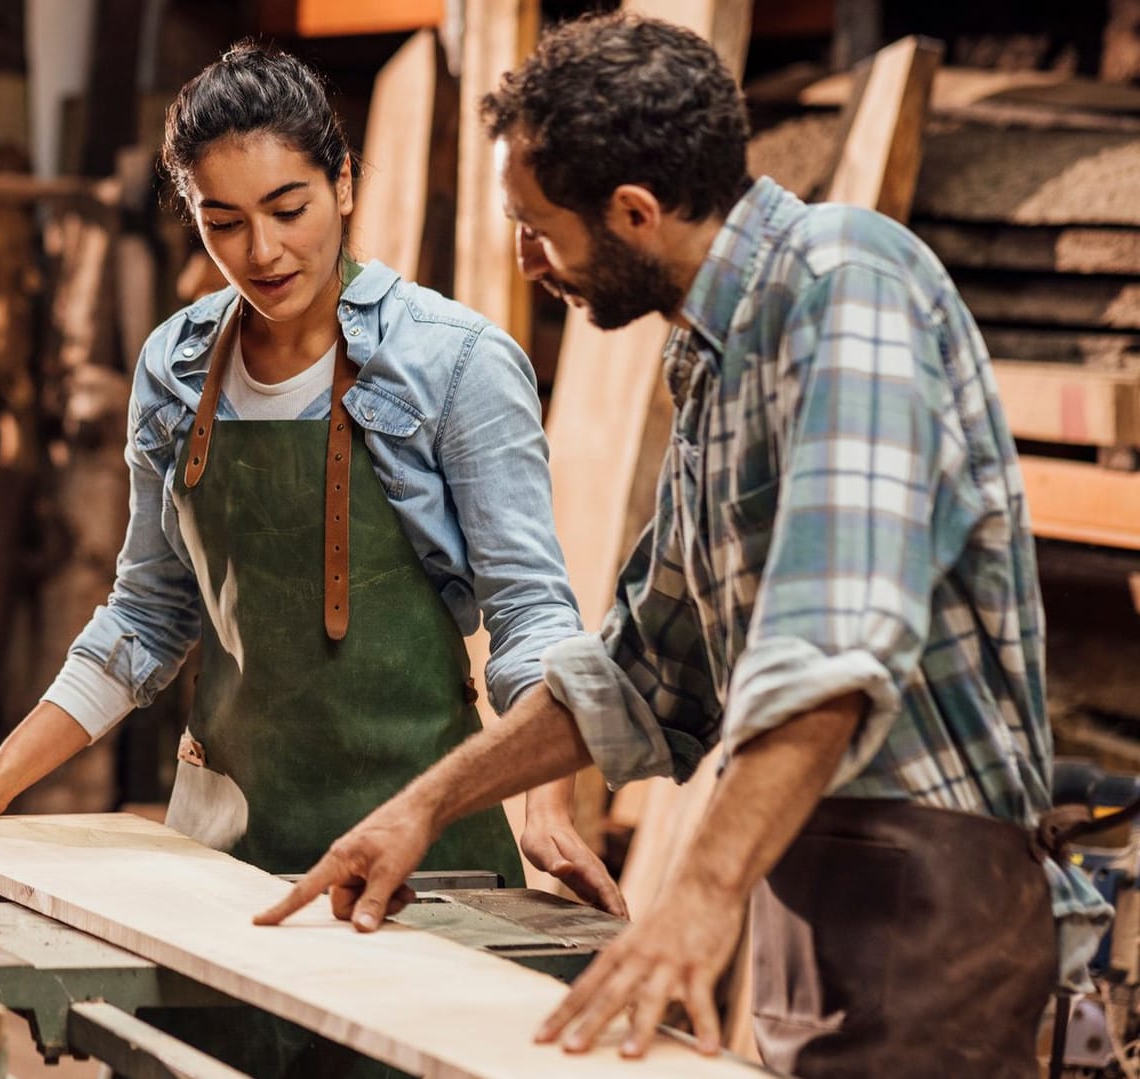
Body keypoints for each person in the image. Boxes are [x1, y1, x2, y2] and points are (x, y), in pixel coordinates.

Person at [254, 14, 1112, 1078]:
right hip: (827, 892)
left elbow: (831, 650)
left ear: (634, 213)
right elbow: (642, 670)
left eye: (538, 227)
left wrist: (699, 893)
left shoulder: (845, 286)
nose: (527, 258)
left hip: (944, 900)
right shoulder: (715, 356)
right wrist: (425, 803)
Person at [0, 39, 620, 1075]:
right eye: (224, 222)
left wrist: (546, 799)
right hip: (220, 871)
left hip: (420, 862)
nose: (261, 252)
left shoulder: (456, 361)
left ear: (345, 181)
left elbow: (532, 610)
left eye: (288, 208)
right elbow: (144, 615)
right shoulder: (174, 368)